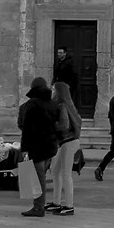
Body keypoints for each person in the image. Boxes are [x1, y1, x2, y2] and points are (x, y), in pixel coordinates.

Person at [17, 79, 61, 218]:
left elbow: (27, 128)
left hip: (37, 145)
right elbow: (57, 125)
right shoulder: (53, 104)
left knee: (39, 177)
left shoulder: (31, 105)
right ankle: (39, 205)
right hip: (50, 145)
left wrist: (24, 148)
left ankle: (38, 207)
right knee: (41, 175)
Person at [50, 79, 83, 214]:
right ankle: (56, 202)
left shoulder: (62, 106)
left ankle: (69, 205)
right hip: (65, 142)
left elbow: (64, 125)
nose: (52, 92)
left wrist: (51, 126)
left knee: (65, 173)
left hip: (68, 142)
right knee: (55, 171)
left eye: (53, 90)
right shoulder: (67, 105)